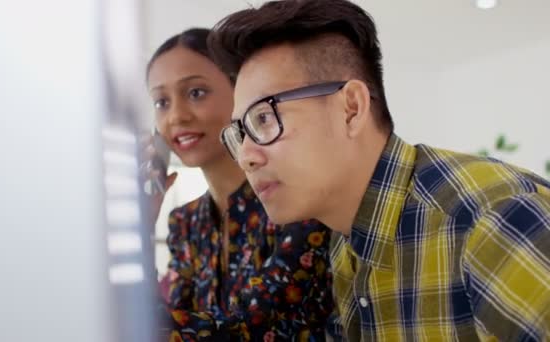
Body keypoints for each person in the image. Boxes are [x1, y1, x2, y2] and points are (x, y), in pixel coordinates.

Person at [208, 0, 550, 340]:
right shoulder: (344, 242)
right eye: (238, 134)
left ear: (351, 109)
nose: (246, 157)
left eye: (264, 118)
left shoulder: (494, 220)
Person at [146, 28, 340, 341]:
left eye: (195, 93)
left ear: (242, 93)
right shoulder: (184, 221)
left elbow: (244, 329)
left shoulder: (297, 204)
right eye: (161, 102)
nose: (176, 116)